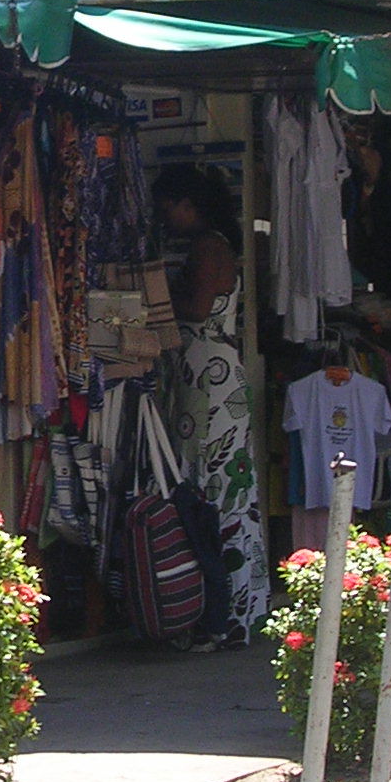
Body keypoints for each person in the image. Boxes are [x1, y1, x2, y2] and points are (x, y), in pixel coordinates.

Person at [152, 165, 266, 645]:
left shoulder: (207, 248)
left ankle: (219, 611)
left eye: (170, 207)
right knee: (223, 486)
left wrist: (155, 294)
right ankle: (235, 607)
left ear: (189, 205)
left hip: (206, 375)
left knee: (208, 485)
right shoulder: (220, 244)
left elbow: (196, 309)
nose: (166, 216)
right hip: (215, 371)